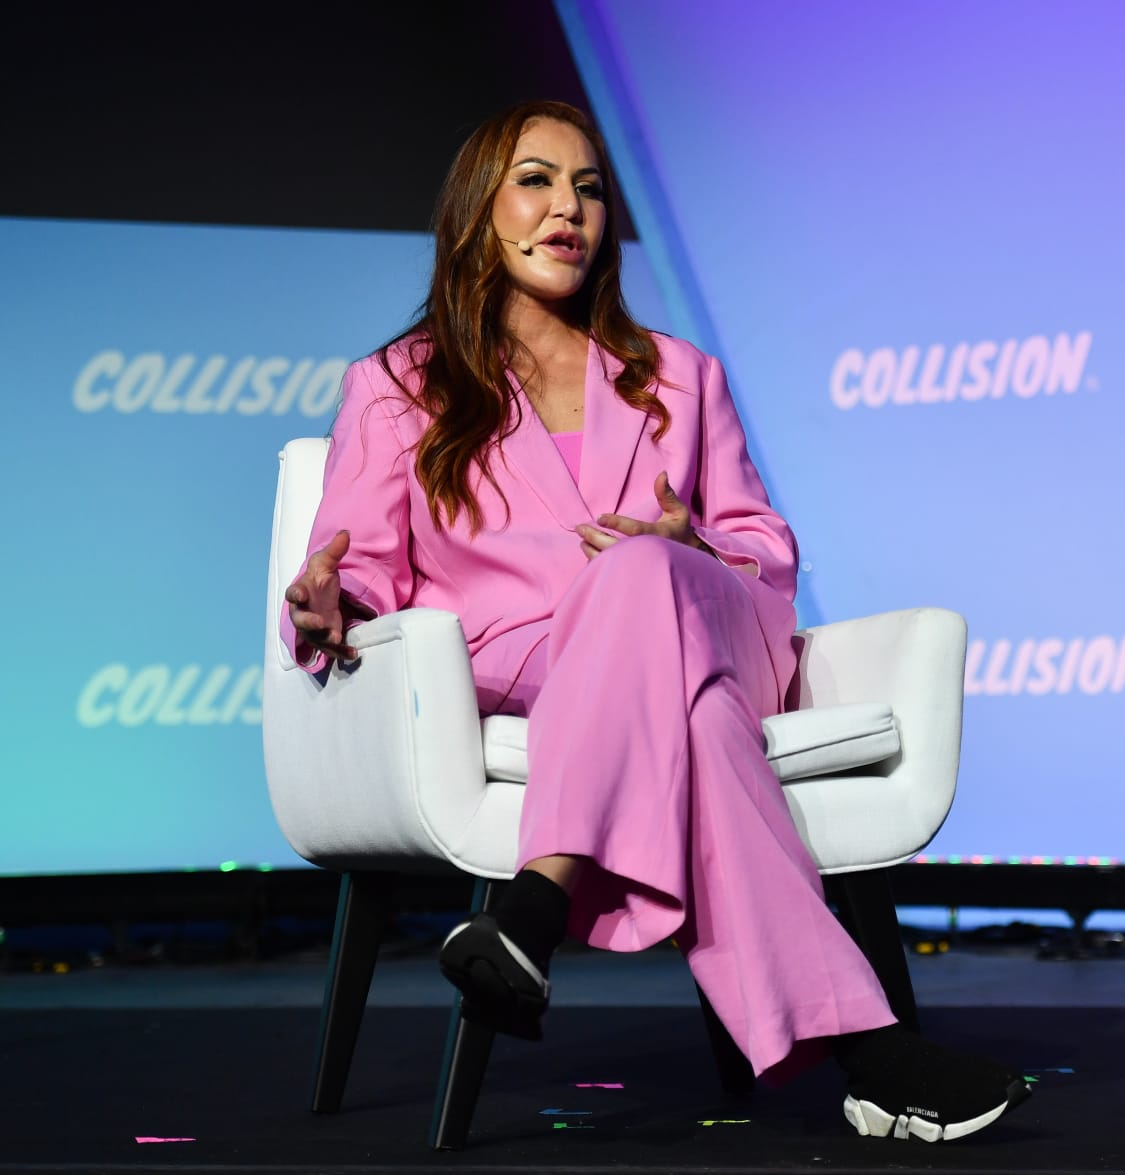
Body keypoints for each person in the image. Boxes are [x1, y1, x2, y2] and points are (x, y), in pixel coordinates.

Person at [279, 100, 1027, 1143]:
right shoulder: (397, 388)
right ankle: (872, 1052)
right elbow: (355, 566)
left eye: (589, 187)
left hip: (718, 621)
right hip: (540, 666)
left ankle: (538, 904)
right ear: (475, 214)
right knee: (705, 725)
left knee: (642, 569)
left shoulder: (682, 375)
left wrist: (692, 548)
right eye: (536, 180)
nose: (568, 208)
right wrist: (323, 603)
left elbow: (768, 555)